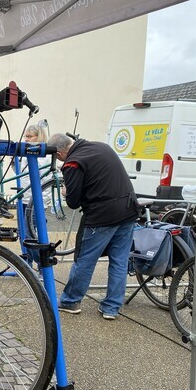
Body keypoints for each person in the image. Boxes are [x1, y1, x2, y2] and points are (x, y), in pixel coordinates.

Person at [46, 133, 140, 320]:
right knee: (119, 262)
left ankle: (70, 301)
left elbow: (73, 202)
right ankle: (111, 308)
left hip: (102, 215)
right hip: (128, 209)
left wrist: (66, 192)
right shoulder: (101, 146)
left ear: (60, 153)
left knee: (85, 260)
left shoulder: (73, 162)